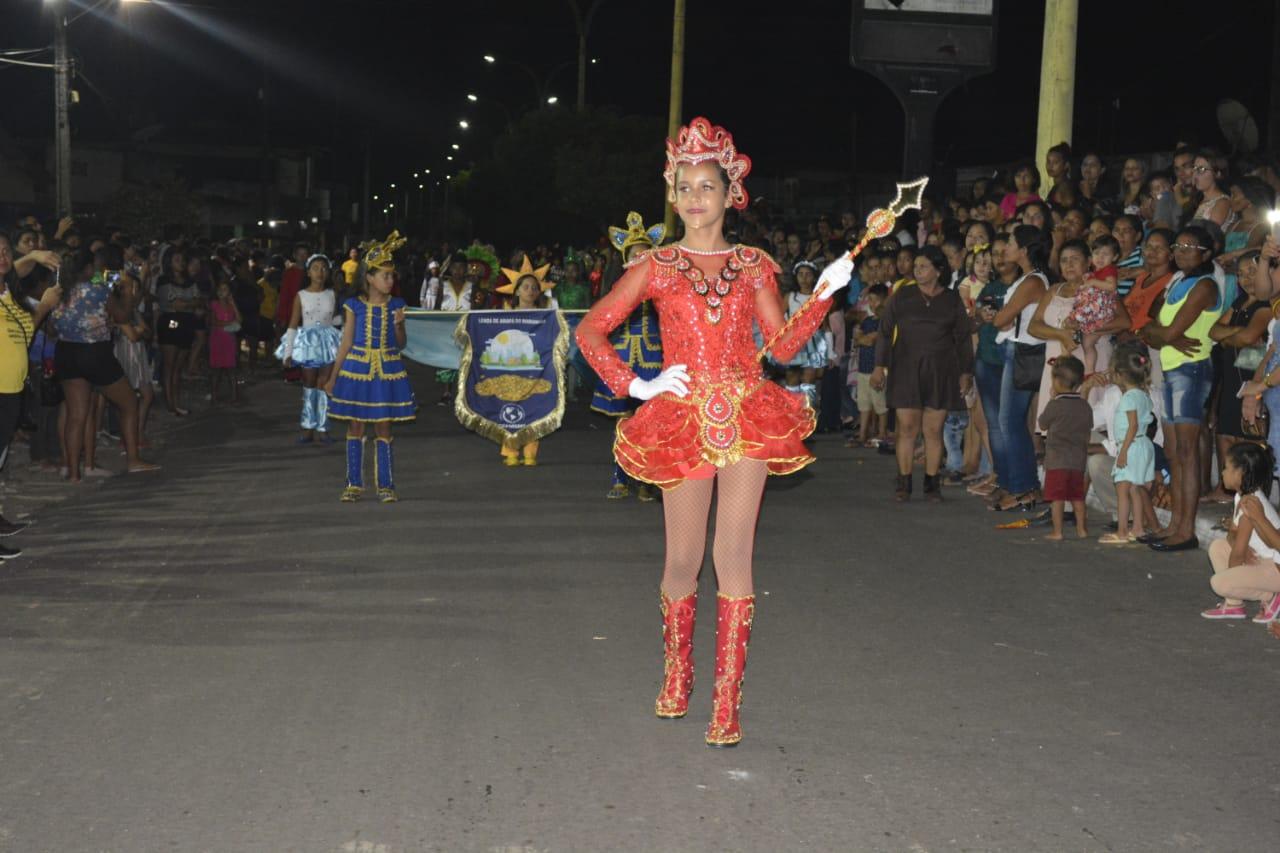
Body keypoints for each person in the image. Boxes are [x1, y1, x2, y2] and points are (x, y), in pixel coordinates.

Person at [575, 117, 850, 747]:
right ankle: (679, 675)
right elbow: (592, 329)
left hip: (748, 415)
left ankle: (727, 704)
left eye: (708, 185)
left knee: (733, 557)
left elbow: (779, 347)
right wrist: (636, 383)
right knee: (682, 559)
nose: (696, 197)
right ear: (672, 196)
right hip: (682, 419)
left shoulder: (754, 264)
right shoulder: (657, 265)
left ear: (732, 195)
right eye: (685, 187)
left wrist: (823, 298)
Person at [1139, 225, 1225, 551]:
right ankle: (1174, 524)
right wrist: (1161, 333)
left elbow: (1168, 331)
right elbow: (1147, 328)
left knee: (1186, 453)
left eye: (1192, 246)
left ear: (1207, 252)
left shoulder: (1204, 286)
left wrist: (1162, 333)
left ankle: (1186, 530)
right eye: (1180, 245)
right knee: (1175, 453)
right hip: (1172, 367)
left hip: (1192, 370)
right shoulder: (1177, 281)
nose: (1182, 250)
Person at [871, 245, 974, 502]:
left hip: (941, 371)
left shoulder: (951, 300)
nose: (917, 270)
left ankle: (931, 484)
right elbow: (885, 331)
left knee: (933, 430)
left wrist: (966, 371)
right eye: (916, 266)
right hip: (905, 367)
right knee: (906, 427)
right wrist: (879, 366)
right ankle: (904, 482)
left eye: (923, 266)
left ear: (939, 271)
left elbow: (962, 338)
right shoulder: (902, 296)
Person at [51, 247, 158, 483]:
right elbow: (121, 316)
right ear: (89, 268)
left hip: (66, 352)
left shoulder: (59, 291)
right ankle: (133, 460)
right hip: (95, 352)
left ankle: (73, 472)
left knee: (76, 415)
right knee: (129, 402)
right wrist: (128, 294)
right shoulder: (98, 289)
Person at [324, 232, 415, 503]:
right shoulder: (353, 305)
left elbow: (400, 344)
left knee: (384, 428)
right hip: (357, 371)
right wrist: (332, 376)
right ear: (369, 277)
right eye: (385, 275)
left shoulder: (397, 305)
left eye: (392, 276)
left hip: (387, 371)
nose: (390, 281)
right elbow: (346, 342)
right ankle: (354, 483)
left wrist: (399, 325)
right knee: (355, 427)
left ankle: (386, 485)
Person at [591, 211, 666, 501]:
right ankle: (620, 477)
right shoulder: (617, 286)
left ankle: (646, 479)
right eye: (635, 254)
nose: (640, 258)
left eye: (645, 253)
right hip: (623, 357)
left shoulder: (662, 286)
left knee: (649, 422)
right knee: (623, 421)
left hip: (653, 358)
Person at [978, 226, 1049, 512]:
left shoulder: (1033, 281)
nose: (1006, 246)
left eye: (1010, 241)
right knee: (1010, 422)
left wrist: (998, 317)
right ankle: (1016, 484)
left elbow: (1002, 320)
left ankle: (1023, 488)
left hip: (1021, 352)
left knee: (1011, 422)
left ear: (1024, 248)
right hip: (1013, 350)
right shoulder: (1026, 280)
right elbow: (1003, 319)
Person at [0, 234, 62, 553]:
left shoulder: (7, 292)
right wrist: (47, 306)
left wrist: (35, 256)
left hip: (11, 388)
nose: (3, 256)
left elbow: (13, 271)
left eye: (5, 249)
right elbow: (28, 331)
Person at [1204, 251, 1269, 501]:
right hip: (1231, 374)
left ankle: (1252, 497)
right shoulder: (1239, 302)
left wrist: (1230, 336)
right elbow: (1213, 331)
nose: (1245, 279)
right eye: (1240, 274)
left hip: (1252, 375)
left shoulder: (1266, 305)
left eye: (1252, 272)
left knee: (1247, 438)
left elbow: (1248, 338)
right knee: (1225, 435)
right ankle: (1226, 491)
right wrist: (1237, 333)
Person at [1200, 442, 1280, 623]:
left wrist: (1233, 579)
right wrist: (1240, 549)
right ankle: (1234, 605)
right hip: (1264, 560)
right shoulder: (1241, 497)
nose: (1222, 473)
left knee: (1219, 583)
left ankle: (1270, 597)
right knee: (1218, 547)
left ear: (1240, 473)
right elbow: (1232, 535)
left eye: (1226, 468)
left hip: (1275, 568)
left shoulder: (1250, 504)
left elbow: (1237, 553)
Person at [493, 256, 558, 467]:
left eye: (534, 287)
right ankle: (511, 450)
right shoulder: (506, 313)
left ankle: (530, 452)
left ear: (539, 292)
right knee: (510, 407)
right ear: (517, 291)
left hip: (536, 369)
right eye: (526, 287)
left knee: (534, 408)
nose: (530, 290)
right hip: (512, 368)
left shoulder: (545, 316)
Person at [279, 254, 342, 443]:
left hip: (328, 341)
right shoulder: (301, 296)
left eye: (323, 268)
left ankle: (323, 427)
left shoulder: (332, 293)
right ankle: (307, 426)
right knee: (308, 383)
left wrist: (344, 321)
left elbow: (333, 319)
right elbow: (293, 323)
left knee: (324, 385)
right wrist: (288, 351)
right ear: (308, 272)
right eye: (315, 268)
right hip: (308, 342)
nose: (320, 272)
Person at [1102, 346, 1157, 544]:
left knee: (1123, 489)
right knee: (1136, 489)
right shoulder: (1143, 396)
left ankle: (1122, 531)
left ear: (1120, 374)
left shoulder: (1128, 398)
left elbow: (1132, 426)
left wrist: (1123, 452)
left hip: (1131, 446)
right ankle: (1138, 528)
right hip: (1143, 445)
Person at [1037, 356, 1092, 541]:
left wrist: (1051, 399)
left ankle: (1057, 531)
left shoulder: (1055, 404)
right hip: (1078, 461)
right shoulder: (1084, 405)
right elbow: (1088, 428)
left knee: (1057, 499)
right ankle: (1082, 529)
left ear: (1057, 382)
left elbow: (1042, 424)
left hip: (1057, 461)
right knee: (1078, 498)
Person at [1067, 235, 1121, 375]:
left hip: (1101, 311)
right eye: (1097, 253)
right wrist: (1089, 278)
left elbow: (1111, 286)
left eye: (1105, 254)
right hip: (1095, 310)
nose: (1100, 257)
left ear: (1114, 257)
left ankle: (1089, 371)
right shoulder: (1097, 272)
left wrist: (1093, 282)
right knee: (1083, 340)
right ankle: (1085, 368)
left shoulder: (1109, 270)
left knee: (1087, 342)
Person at [155, 246, 198, 415]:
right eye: (177, 260)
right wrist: (190, 304)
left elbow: (198, 301)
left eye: (183, 260)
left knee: (179, 367)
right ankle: (171, 404)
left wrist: (187, 304)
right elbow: (172, 304)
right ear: (169, 262)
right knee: (169, 365)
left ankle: (175, 402)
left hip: (186, 323)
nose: (181, 264)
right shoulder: (164, 280)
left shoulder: (190, 281)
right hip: (172, 322)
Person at [854, 283, 889, 447]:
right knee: (864, 403)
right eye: (871, 300)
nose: (873, 304)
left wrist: (864, 339)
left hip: (877, 368)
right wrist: (863, 339)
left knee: (880, 403)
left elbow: (869, 339)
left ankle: (882, 434)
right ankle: (863, 434)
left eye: (876, 300)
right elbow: (859, 340)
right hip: (862, 369)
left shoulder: (884, 322)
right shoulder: (867, 320)